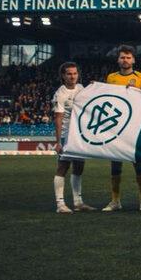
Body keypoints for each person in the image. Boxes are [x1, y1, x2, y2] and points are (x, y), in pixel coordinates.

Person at [102, 44, 141, 211]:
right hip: (116, 127)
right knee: (115, 165)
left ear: (133, 60)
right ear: (118, 59)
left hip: (135, 127)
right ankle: (115, 201)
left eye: (128, 57)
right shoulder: (111, 78)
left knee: (139, 164)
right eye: (122, 57)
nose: (125, 60)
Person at [52, 62, 94, 213]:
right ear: (63, 76)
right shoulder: (60, 93)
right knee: (63, 167)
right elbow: (58, 118)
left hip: (79, 135)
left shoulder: (81, 89)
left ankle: (78, 202)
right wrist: (58, 142)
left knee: (79, 167)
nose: (72, 76)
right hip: (66, 136)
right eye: (69, 74)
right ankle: (60, 204)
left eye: (75, 73)